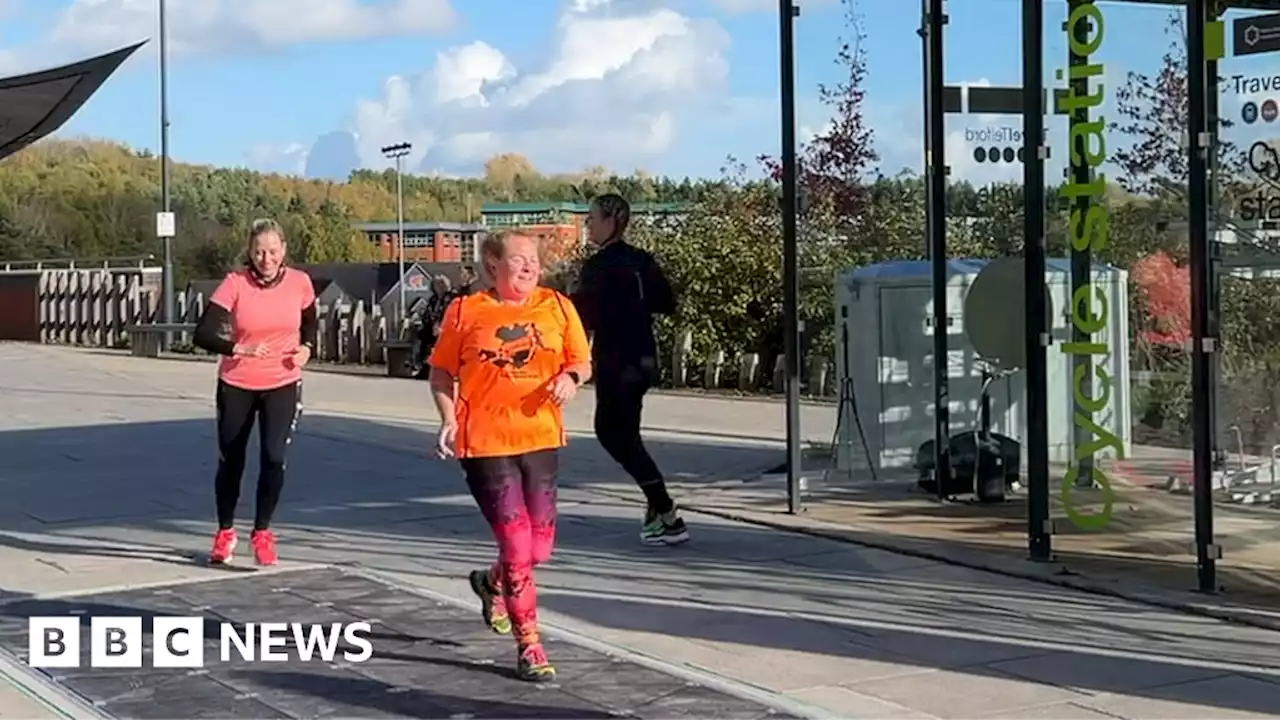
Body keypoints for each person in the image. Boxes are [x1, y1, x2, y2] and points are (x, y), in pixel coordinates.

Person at [427, 229, 591, 682]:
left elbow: (581, 360)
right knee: (518, 546)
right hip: (485, 444)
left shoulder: (558, 307)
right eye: (518, 260)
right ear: (492, 266)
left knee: (540, 548)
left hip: (540, 438)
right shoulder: (465, 311)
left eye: (534, 260)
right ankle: (530, 644)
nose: (529, 267)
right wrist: (447, 418)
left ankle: (491, 581)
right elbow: (440, 374)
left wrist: (571, 380)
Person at [192, 218, 317, 566]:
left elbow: (310, 321)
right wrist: (238, 349)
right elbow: (201, 334)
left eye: (273, 251)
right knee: (231, 459)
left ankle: (262, 532)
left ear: (284, 250)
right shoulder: (235, 284)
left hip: (282, 381)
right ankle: (225, 532)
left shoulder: (299, 282)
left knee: (274, 457)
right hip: (238, 383)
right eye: (259, 251)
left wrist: (307, 347)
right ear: (249, 251)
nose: (266, 258)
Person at [572, 194, 689, 546]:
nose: (587, 225)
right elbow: (666, 302)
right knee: (627, 435)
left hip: (615, 360)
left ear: (612, 221)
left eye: (592, 218)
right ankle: (658, 513)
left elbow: (582, 317)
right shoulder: (642, 261)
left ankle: (666, 511)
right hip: (642, 358)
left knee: (612, 435)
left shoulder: (599, 266)